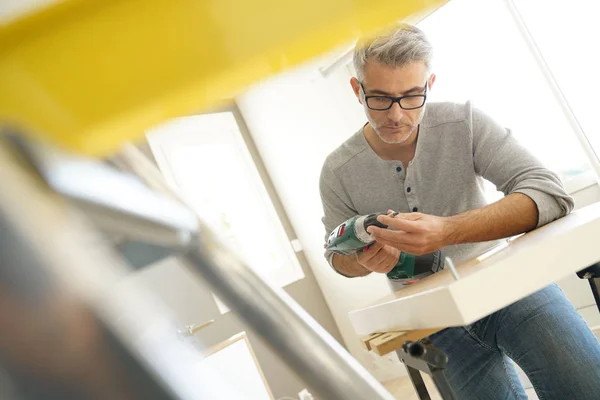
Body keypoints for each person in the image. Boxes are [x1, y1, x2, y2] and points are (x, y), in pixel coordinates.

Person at [319, 23, 600, 399]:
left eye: (412, 96)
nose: (397, 115)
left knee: (586, 388)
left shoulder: (464, 122)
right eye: (381, 98)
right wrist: (363, 261)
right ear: (358, 90)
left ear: (429, 84)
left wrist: (448, 230)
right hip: (431, 319)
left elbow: (549, 194)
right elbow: (337, 258)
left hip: (508, 286)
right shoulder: (337, 171)